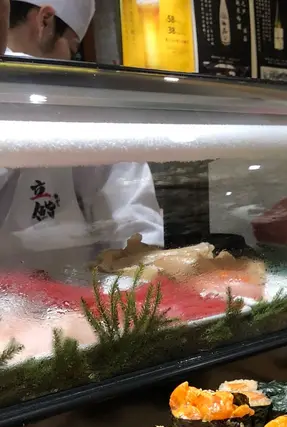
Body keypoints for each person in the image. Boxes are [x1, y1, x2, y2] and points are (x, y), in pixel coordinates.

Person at [0, 0, 164, 261]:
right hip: (74, 282)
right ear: (45, 20)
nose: (70, 61)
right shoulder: (83, 104)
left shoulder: (78, 104)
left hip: (72, 284)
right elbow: (133, 220)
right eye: (73, 48)